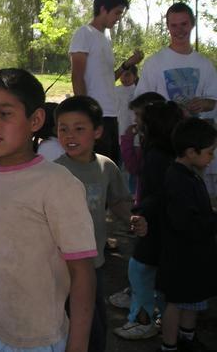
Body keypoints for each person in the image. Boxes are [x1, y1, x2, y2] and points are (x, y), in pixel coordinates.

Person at [0, 69, 98, 352]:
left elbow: (82, 273)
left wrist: (78, 346)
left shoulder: (59, 184)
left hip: (35, 338)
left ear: (36, 120)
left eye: (5, 114)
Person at [54, 95, 147, 352]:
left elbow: (117, 201)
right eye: (63, 129)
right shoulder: (53, 172)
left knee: (94, 325)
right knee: (64, 324)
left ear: (97, 131)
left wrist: (130, 218)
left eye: (79, 128)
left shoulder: (106, 167)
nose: (70, 135)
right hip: (60, 266)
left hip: (94, 263)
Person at [112, 101, 183, 341]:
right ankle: (161, 317)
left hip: (153, 225)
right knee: (152, 274)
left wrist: (139, 211)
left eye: (141, 119)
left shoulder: (156, 157)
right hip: (161, 224)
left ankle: (142, 320)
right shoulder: (167, 153)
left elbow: (158, 194)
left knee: (140, 271)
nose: (136, 122)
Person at [156, 117, 217, 352]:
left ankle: (187, 338)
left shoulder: (189, 174)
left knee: (193, 299)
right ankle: (169, 345)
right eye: (210, 153)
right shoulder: (178, 179)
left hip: (195, 256)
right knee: (176, 303)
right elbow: (185, 222)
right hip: (182, 257)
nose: (211, 158)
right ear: (192, 152)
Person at [69, 0, 143, 164]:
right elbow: (77, 76)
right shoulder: (84, 33)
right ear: (103, 9)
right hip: (95, 114)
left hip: (111, 114)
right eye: (117, 12)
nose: (118, 18)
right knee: (96, 169)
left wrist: (128, 64)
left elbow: (108, 79)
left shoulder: (105, 39)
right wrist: (85, 113)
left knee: (111, 167)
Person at [134, 2, 217, 117]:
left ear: (192, 24)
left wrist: (205, 103)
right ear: (168, 26)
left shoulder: (205, 64)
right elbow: (140, 102)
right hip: (162, 133)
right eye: (174, 25)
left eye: (184, 24)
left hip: (194, 131)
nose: (179, 30)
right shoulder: (154, 63)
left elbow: (213, 100)